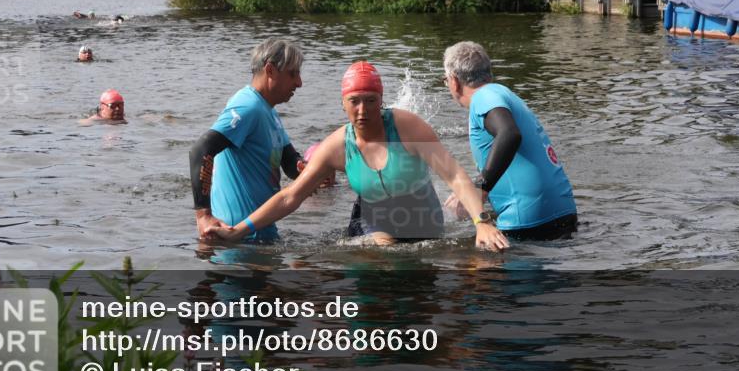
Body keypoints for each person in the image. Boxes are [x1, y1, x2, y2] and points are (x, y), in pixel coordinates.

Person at [204, 61, 510, 251]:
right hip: (374, 223)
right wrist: (238, 232)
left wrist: (481, 222)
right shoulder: (337, 145)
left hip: (423, 221)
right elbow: (291, 197)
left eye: (370, 101)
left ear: (381, 101)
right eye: (354, 102)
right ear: (343, 104)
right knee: (380, 254)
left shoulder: (408, 128)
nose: (362, 110)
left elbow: (454, 175)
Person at [442, 42, 578, 240]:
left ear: (454, 81)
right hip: (563, 211)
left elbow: (509, 134)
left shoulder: (483, 97)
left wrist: (480, 187)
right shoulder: (502, 94)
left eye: (444, 80)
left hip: (528, 220)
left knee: (466, 268)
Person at [189, 38, 306, 243]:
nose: (299, 82)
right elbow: (201, 150)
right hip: (235, 239)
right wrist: (203, 216)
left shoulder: (269, 111)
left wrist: (308, 168)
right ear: (270, 70)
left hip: (259, 236)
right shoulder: (248, 106)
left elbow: (289, 161)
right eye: (293, 73)